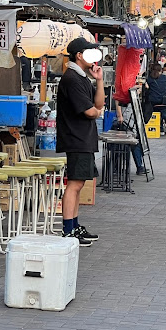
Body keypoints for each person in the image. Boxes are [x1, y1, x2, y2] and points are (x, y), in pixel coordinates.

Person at [56, 37, 104, 247]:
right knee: (74, 184)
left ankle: (74, 226)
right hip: (76, 137)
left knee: (79, 183)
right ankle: (68, 229)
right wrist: (97, 112)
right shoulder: (71, 79)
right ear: (79, 55)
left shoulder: (82, 77)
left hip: (83, 137)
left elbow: (99, 103)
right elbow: (90, 111)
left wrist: (99, 80)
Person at [144, 63, 166, 128]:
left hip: (153, 101)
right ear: (160, 70)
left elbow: (147, 90)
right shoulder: (165, 78)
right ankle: (162, 126)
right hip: (163, 101)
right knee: (163, 110)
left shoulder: (149, 79)